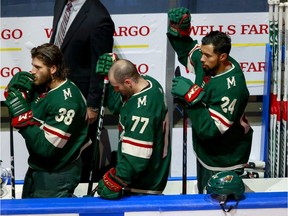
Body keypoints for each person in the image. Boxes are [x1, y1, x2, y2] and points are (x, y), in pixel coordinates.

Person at [167, 8, 253, 193]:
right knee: (203, 196)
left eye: (207, 55)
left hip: (225, 158)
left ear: (223, 57)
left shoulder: (232, 88)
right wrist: (180, 32)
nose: (202, 59)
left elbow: (211, 130)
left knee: (218, 205)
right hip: (207, 153)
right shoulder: (209, 62)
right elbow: (189, 52)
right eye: (202, 53)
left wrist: (190, 95)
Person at [4, 43, 91, 198]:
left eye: (38, 68)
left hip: (57, 173)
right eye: (33, 66)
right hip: (37, 168)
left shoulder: (67, 102)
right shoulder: (42, 86)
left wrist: (22, 120)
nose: (32, 71)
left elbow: (47, 149)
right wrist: (13, 89)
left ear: (52, 69)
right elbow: (16, 101)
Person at [49, 0, 115, 182]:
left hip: (81, 100)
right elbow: (57, 43)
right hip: (55, 93)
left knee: (79, 153)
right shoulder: (61, 3)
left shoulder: (99, 18)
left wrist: (93, 105)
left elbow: (99, 68)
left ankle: (79, 195)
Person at [93, 54, 171, 199]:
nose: (115, 90)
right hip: (146, 178)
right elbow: (117, 106)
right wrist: (113, 68)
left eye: (116, 87)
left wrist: (118, 179)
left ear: (128, 82)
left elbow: (137, 157)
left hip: (142, 185)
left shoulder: (142, 110)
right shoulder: (150, 83)